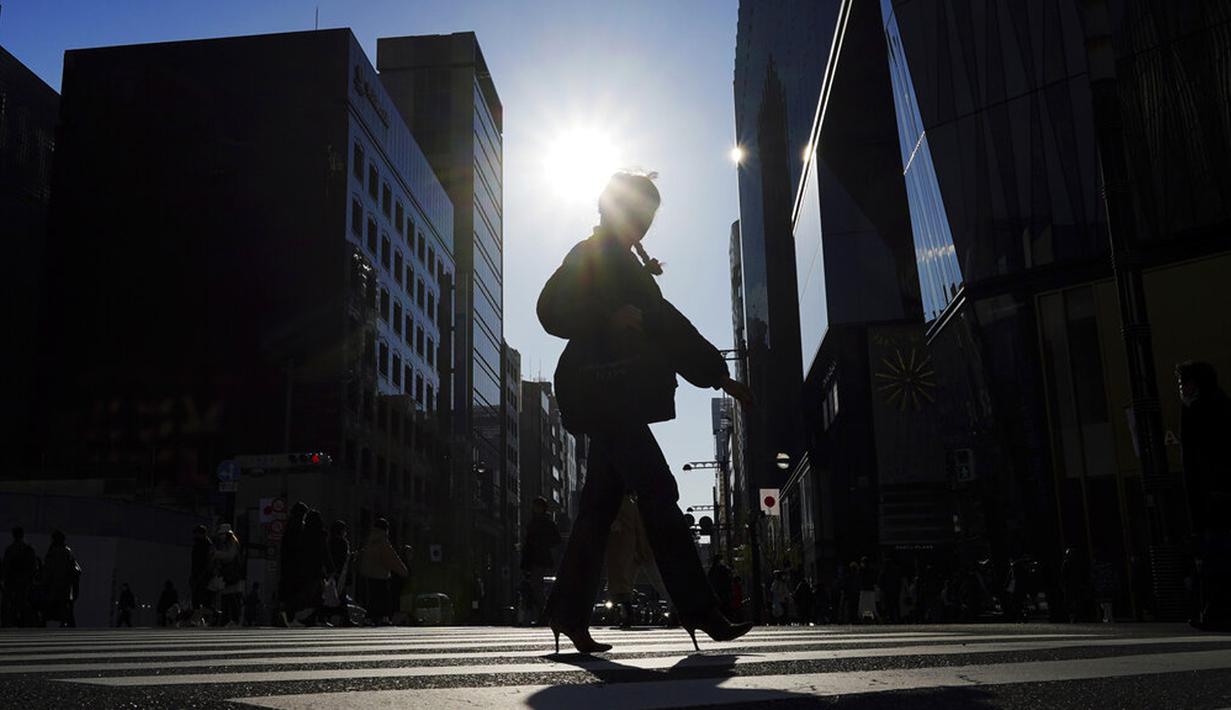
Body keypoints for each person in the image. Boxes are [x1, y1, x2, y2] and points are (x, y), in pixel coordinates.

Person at [537, 171, 754, 653]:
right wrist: (606, 316)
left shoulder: (627, 266)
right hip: (603, 395)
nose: (644, 224)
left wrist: (720, 377)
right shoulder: (590, 254)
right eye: (639, 213)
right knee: (658, 490)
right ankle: (702, 611)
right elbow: (549, 310)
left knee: (598, 507)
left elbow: (667, 327)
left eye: (649, 217)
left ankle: (567, 612)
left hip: (616, 396)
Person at [1175, 361, 1231, 630]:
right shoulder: (1202, 407)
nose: (1182, 387)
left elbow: (1210, 456)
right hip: (1209, 496)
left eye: (1186, 382)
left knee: (1216, 557)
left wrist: (1219, 488)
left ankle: (1215, 611)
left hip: (1215, 497)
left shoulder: (1209, 409)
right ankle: (1212, 610)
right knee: (1212, 557)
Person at [606, 494, 669, 629]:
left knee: (624, 583)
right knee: (658, 581)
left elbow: (618, 526)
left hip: (627, 547)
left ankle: (627, 615)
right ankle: (677, 611)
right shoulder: (632, 503)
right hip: (642, 546)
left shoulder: (619, 504)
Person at [357, 518, 407, 626]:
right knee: (384, 597)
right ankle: (383, 618)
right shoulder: (383, 541)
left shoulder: (370, 540)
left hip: (368, 574)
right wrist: (403, 570)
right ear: (385, 529)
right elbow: (391, 558)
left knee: (373, 597)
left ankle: (370, 618)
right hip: (380, 574)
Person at [520, 497, 561, 625]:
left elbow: (557, 539)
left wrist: (543, 544)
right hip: (533, 557)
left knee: (535, 586)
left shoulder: (545, 522)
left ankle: (545, 614)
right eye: (535, 506)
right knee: (534, 586)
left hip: (539, 558)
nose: (535, 509)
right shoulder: (535, 521)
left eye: (538, 506)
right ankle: (543, 614)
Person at [292, 510, 334, 626]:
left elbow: (298, 553)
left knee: (309, 596)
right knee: (318, 596)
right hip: (316, 571)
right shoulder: (320, 536)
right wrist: (330, 569)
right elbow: (325, 554)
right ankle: (316, 618)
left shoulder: (303, 534)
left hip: (304, 570)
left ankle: (310, 618)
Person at [277, 501, 308, 626]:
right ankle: (291, 617)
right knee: (295, 592)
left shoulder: (289, 525)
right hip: (296, 565)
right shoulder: (299, 526)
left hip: (287, 564)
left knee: (289, 592)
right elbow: (300, 547)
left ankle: (285, 616)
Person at [42, 530, 81, 627]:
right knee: (66, 610)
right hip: (65, 586)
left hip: (55, 586)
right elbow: (76, 570)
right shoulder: (67, 552)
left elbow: (47, 569)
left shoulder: (53, 552)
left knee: (52, 608)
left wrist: (44, 582)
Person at [2, 526, 39, 627]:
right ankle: (28, 623)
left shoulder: (10, 549)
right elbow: (34, 566)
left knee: (10, 603)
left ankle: (9, 623)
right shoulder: (28, 549)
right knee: (23, 602)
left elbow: (6, 566)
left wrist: (4, 579)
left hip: (12, 581)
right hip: (24, 580)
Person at [214, 524, 244, 627]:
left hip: (232, 575)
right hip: (228, 575)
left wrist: (217, 554)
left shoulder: (232, 543)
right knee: (227, 598)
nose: (221, 537)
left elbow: (229, 556)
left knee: (231, 597)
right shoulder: (227, 544)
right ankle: (227, 619)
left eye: (222, 534)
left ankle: (233, 619)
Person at [326, 520, 354, 626]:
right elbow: (343, 559)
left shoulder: (329, 541)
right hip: (341, 573)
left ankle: (337, 616)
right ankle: (344, 618)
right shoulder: (343, 542)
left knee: (334, 595)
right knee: (340, 595)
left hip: (333, 572)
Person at [189, 524, 215, 625]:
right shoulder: (201, 544)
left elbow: (206, 562)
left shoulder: (206, 545)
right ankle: (200, 618)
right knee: (197, 598)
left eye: (197, 533)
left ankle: (202, 618)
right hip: (199, 574)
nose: (195, 535)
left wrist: (202, 575)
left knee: (201, 598)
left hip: (203, 575)